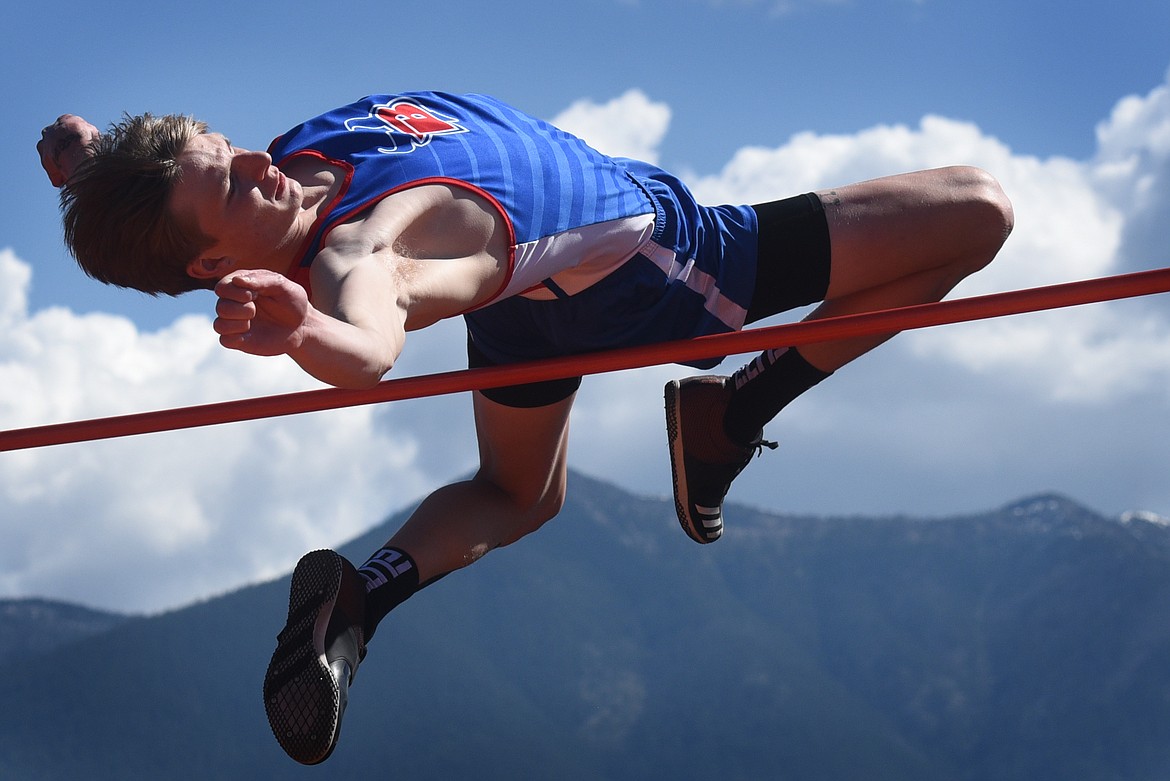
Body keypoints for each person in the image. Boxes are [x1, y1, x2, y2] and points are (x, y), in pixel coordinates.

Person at [38, 93, 1013, 764]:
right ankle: (735, 410)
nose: (259, 163)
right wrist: (308, 332)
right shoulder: (362, 253)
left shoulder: (246, 180)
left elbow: (166, 180)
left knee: (518, 495)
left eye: (228, 146)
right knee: (978, 211)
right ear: (216, 266)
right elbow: (370, 338)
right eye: (237, 189)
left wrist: (84, 163)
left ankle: (362, 600)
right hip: (656, 265)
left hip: (532, 295)